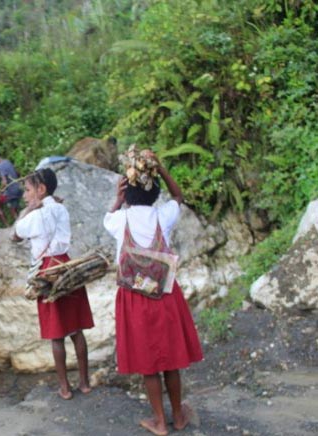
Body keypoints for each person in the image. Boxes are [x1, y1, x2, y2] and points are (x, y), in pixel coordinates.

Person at [103, 148, 203, 436]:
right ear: (154, 191)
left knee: (149, 364)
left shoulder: (119, 221)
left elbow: (109, 216)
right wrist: (161, 169)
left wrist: (118, 198)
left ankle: (159, 421)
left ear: (127, 194)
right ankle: (179, 415)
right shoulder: (164, 215)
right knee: (170, 360)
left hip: (135, 299)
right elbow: (179, 197)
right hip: (166, 294)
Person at [14, 168, 94, 400]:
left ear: (41, 189)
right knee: (76, 330)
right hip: (67, 266)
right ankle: (85, 383)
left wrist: (28, 210)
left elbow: (15, 234)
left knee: (56, 334)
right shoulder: (61, 208)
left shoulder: (35, 216)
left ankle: (65, 388)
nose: (25, 195)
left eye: (28, 190)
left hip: (47, 271)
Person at [0, 148, 23, 226]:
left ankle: (8, 225)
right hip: (18, 187)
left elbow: (4, 182)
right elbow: (17, 173)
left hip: (11, 192)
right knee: (15, 209)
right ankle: (19, 223)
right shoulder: (7, 161)